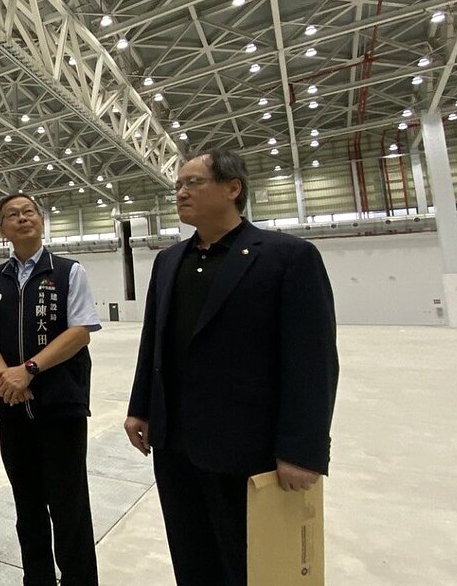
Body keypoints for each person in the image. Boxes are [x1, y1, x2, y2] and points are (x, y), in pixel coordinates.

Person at [123, 148, 339, 586]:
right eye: (178, 186)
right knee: (191, 556)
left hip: (246, 448)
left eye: (193, 183)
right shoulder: (169, 261)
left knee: (247, 565)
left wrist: (302, 450)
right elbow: (154, 342)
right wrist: (140, 406)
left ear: (233, 188)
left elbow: (312, 360)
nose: (180, 193)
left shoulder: (287, 257)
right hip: (175, 446)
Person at [0, 193, 102, 586]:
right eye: (13, 215)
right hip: (12, 409)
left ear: (41, 221)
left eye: (29, 212)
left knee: (69, 507)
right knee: (27, 506)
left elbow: (80, 332)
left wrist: (28, 370)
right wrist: (4, 375)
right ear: (2, 228)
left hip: (61, 407)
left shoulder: (67, 271)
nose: (22, 219)